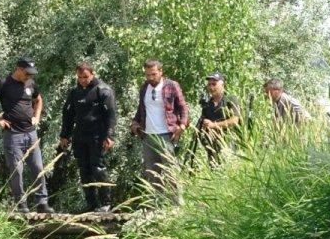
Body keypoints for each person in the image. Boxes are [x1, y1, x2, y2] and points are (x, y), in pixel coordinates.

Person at [0, 57, 51, 213]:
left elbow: (38, 100)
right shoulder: (4, 83)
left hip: (31, 133)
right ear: (19, 69)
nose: (29, 76)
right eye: (27, 73)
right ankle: (21, 204)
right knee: (16, 169)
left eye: (31, 74)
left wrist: (37, 116)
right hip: (13, 135)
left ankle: (42, 202)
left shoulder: (31, 84)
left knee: (38, 167)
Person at [59, 62, 117, 212]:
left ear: (93, 74)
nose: (83, 80)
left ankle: (106, 203)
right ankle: (91, 205)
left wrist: (109, 136)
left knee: (97, 168)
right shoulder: (74, 92)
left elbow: (111, 115)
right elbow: (68, 115)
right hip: (80, 136)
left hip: (98, 136)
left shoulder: (103, 90)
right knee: (84, 170)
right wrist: (64, 135)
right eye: (79, 77)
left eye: (85, 77)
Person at [131, 59, 188, 193]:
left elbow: (183, 107)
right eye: (147, 75)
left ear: (161, 72)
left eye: (154, 74)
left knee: (171, 171)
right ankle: (155, 206)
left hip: (166, 135)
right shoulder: (144, 87)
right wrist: (135, 123)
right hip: (148, 135)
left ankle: (177, 204)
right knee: (151, 173)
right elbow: (141, 109)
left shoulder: (171, 86)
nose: (150, 77)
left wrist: (183, 125)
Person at [197, 71, 240, 166]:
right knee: (214, 170)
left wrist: (214, 125)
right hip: (212, 145)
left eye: (214, 84)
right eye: (209, 84)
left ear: (222, 85)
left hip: (228, 142)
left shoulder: (230, 100)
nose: (211, 87)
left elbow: (235, 120)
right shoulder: (207, 105)